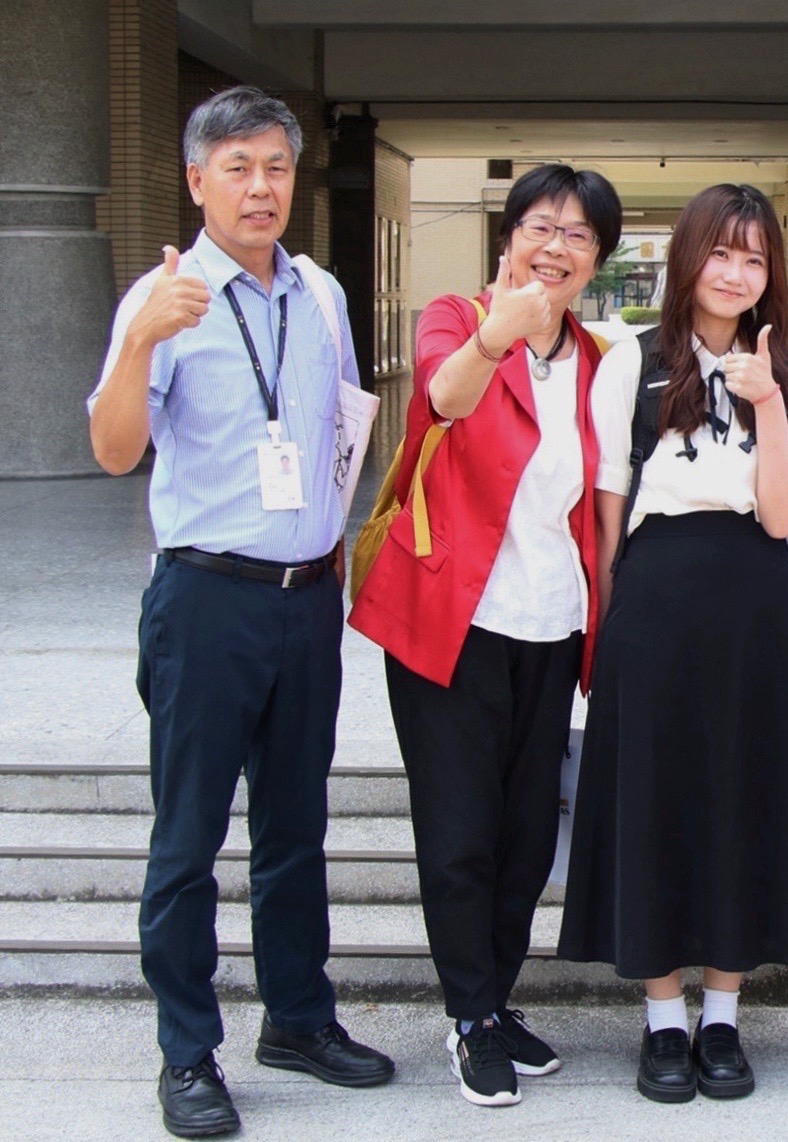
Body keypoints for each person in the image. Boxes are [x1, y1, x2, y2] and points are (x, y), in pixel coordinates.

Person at [87, 86, 393, 1139]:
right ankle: (186, 1050)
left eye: (276, 167)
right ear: (196, 181)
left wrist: (332, 546)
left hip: (305, 603)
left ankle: (298, 1019)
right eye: (237, 168)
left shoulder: (321, 293)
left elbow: (343, 425)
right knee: (187, 836)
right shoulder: (162, 298)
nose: (260, 187)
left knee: (295, 828)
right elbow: (114, 451)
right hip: (206, 600)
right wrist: (140, 344)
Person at [348, 163, 621, 1107]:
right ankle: (468, 1016)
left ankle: (494, 1000)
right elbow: (442, 398)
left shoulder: (596, 360)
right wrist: (494, 336)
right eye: (540, 226)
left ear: (597, 259)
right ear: (508, 237)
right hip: (451, 623)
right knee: (459, 830)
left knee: (525, 835)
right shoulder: (454, 318)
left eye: (578, 235)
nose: (555, 247)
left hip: (552, 623)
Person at [558, 183, 788, 1103]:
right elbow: (609, 506)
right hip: (655, 598)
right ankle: (661, 1020)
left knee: (741, 795)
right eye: (720, 252)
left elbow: (785, 516)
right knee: (655, 796)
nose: (734, 272)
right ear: (687, 257)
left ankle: (722, 1014)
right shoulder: (628, 362)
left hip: (753, 599)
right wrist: (606, 628)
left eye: (753, 257)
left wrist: (766, 405)